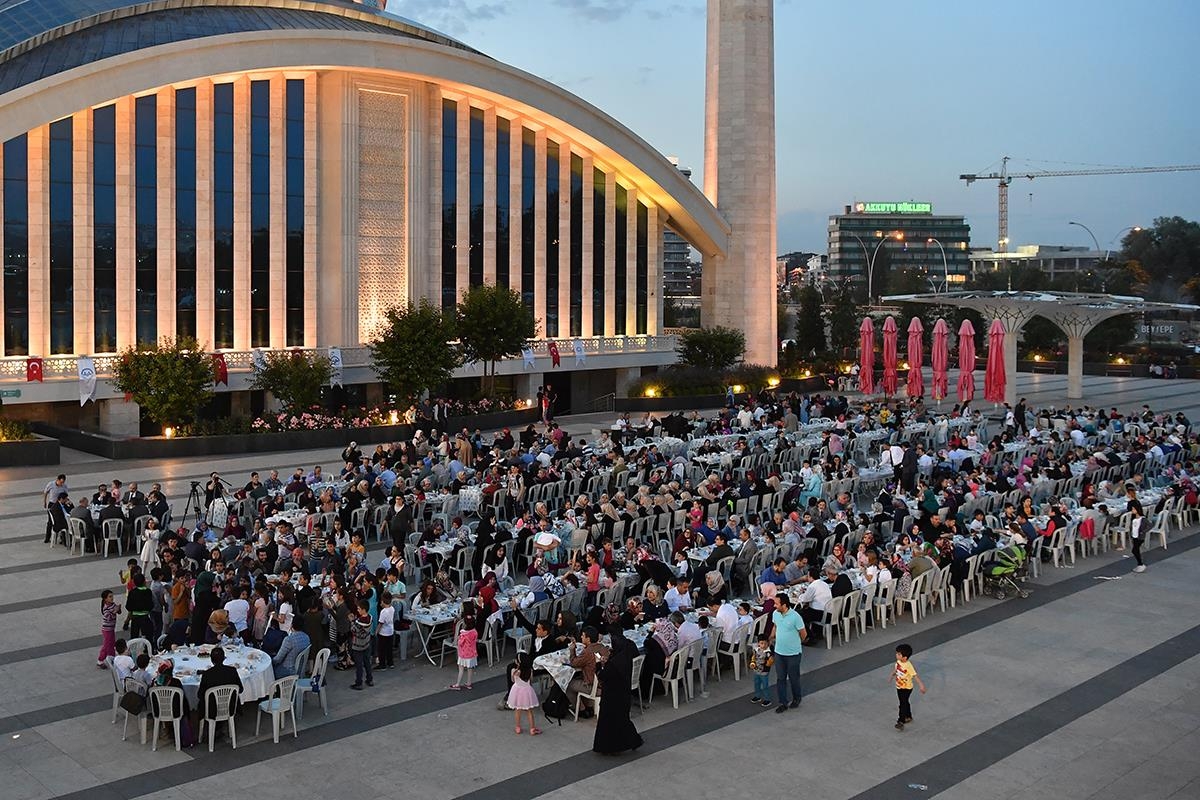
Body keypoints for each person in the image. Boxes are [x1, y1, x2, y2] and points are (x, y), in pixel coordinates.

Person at [593, 622, 643, 755]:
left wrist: (599, 665)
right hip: (624, 692)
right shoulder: (626, 651)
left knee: (610, 723)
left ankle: (609, 747)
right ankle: (633, 741)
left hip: (611, 696)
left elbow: (602, 676)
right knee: (622, 720)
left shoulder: (614, 664)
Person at [770, 594, 806, 714]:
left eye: (776, 603)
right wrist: (771, 637)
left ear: (784, 605)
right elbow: (775, 626)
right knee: (780, 678)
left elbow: (803, 633)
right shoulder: (775, 614)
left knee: (794, 677)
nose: (774, 606)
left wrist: (796, 643)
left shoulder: (796, 617)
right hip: (779, 652)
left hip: (793, 653)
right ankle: (783, 702)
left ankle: (797, 697)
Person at [566, 626, 610, 715]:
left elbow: (574, 663)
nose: (581, 637)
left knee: (567, 684)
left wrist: (572, 650)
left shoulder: (588, 652)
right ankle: (586, 705)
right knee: (579, 678)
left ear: (588, 639)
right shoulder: (603, 648)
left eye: (583, 636)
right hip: (606, 684)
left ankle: (581, 710)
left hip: (595, 687)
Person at [198, 646, 243, 722]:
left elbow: (200, 695)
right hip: (230, 706)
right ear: (224, 658)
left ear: (211, 660)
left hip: (211, 710)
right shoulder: (232, 671)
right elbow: (240, 689)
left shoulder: (207, 674)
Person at [891, 642, 926, 730]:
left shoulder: (908, 666)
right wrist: (892, 674)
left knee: (902, 704)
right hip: (899, 686)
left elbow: (915, 676)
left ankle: (901, 720)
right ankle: (908, 716)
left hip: (907, 688)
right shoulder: (899, 661)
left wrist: (921, 685)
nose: (896, 655)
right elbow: (896, 669)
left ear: (905, 657)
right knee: (905, 702)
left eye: (899, 654)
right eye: (897, 653)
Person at [507, 651, 541, 736]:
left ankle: (518, 727)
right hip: (527, 691)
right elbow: (531, 681)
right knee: (529, 710)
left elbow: (513, 680)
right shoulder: (530, 670)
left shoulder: (515, 671)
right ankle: (532, 728)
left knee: (518, 710)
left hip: (517, 691)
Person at [450, 610, 479, 690]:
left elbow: (460, 643)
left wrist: (459, 638)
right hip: (472, 653)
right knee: (470, 668)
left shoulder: (463, 633)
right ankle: (469, 683)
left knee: (461, 669)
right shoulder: (474, 632)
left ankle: (458, 684)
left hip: (463, 654)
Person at [349, 603, 374, 690]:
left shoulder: (358, 622)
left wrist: (352, 621)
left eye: (359, 609)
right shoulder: (370, 617)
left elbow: (353, 630)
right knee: (367, 662)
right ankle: (369, 679)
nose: (358, 610)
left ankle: (359, 683)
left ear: (363, 609)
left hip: (357, 646)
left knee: (359, 665)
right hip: (366, 643)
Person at [97, 589, 122, 668]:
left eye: (112, 596)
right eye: (110, 597)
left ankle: (112, 658)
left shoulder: (112, 604)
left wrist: (118, 609)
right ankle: (100, 660)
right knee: (106, 645)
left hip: (111, 629)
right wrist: (115, 611)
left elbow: (118, 612)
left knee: (112, 644)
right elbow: (108, 617)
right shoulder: (106, 608)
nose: (112, 598)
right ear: (105, 599)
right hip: (107, 630)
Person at [749, 635, 773, 708]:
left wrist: (769, 662)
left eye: (765, 643)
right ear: (758, 643)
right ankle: (757, 696)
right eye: (762, 643)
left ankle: (767, 699)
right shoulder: (757, 650)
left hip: (764, 672)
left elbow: (771, 660)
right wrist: (752, 662)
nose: (763, 645)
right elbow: (754, 656)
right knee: (757, 683)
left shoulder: (768, 652)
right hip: (756, 670)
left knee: (765, 685)